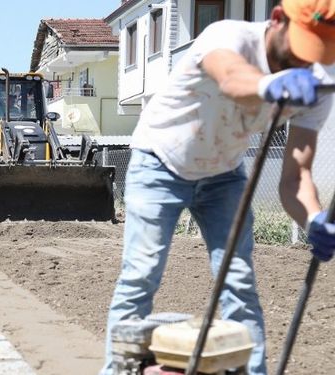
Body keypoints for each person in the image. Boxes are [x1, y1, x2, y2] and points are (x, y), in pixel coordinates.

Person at [102, 1, 335, 374]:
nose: (305, 63)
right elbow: (231, 79)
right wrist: (271, 83)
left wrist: (314, 220)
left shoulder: (317, 83)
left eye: (317, 54)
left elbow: (296, 177)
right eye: (300, 49)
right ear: (276, 20)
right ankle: (115, 370)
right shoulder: (229, 36)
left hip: (223, 174)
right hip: (160, 159)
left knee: (239, 282)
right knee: (141, 274)